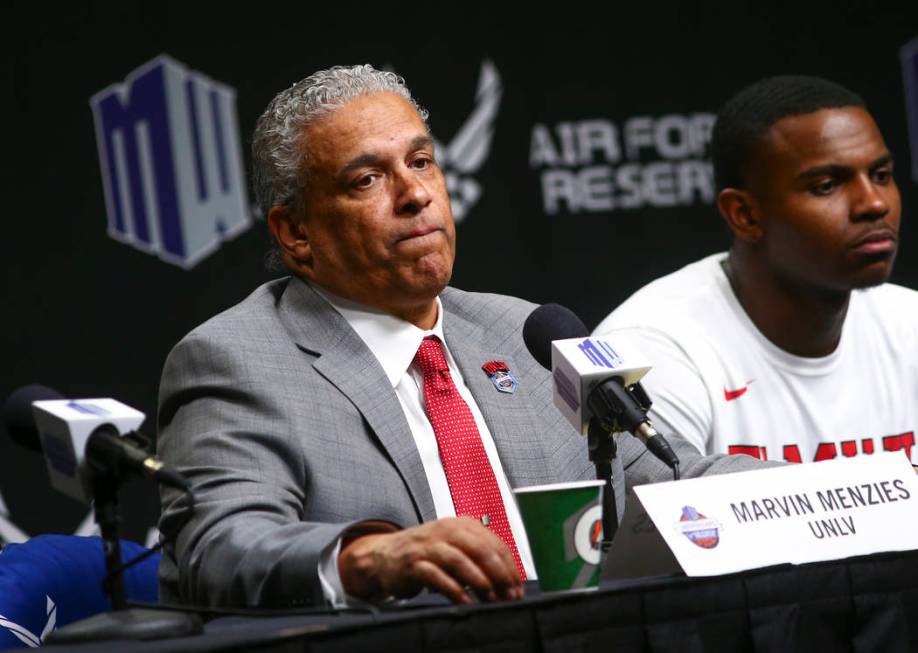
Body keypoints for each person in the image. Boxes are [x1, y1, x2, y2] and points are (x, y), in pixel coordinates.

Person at [156, 65, 764, 609]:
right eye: (367, 179)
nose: (416, 194)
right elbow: (222, 545)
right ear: (295, 233)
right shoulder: (238, 360)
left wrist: (823, 497)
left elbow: (673, 475)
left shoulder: (522, 332)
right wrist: (371, 559)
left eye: (421, 162)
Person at [594, 75, 918, 465]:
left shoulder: (908, 324)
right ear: (744, 214)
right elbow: (658, 522)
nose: (874, 203)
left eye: (881, 176)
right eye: (827, 185)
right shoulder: (653, 351)